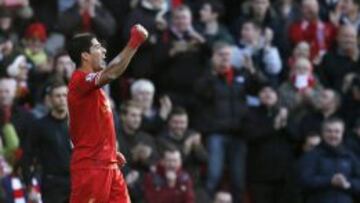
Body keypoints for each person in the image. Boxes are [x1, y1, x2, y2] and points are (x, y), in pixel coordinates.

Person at [66, 24, 148, 203]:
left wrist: (110, 150)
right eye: (97, 47)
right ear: (85, 55)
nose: (103, 50)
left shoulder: (93, 91)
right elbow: (111, 73)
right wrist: (134, 42)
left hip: (107, 164)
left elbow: (76, 128)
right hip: (91, 167)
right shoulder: (79, 80)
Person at [24, 81, 71, 203]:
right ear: (49, 99)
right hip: (52, 186)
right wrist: (30, 186)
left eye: (65, 95)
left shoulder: (77, 124)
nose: (62, 99)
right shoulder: (39, 126)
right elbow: (28, 156)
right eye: (58, 96)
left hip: (77, 182)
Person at [299, 118, 360, 203]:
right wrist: (330, 180)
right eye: (329, 131)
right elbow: (304, 180)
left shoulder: (350, 156)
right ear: (322, 133)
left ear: (342, 133)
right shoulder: (311, 156)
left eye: (337, 131)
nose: (333, 135)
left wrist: (347, 183)